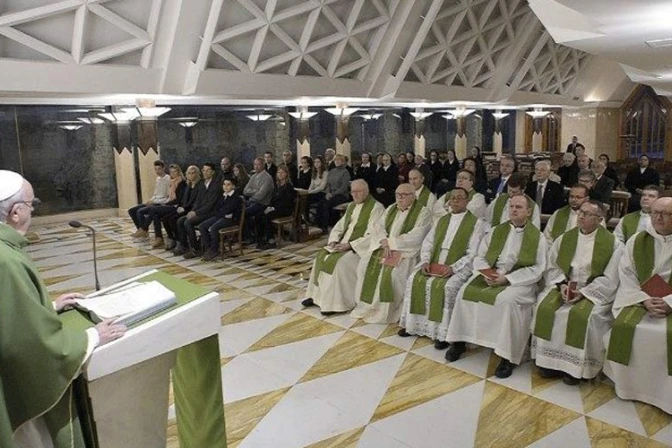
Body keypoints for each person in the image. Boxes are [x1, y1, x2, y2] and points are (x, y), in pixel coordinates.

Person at [0, 170, 126, 448]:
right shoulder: (6, 261)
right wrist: (92, 337)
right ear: (16, 213)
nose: (33, 211)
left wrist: (49, 306)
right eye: (31, 205)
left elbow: (10, 314)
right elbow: (32, 345)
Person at [445, 195, 547, 378]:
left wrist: (508, 279)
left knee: (506, 301)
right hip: (491, 274)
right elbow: (480, 255)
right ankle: (460, 341)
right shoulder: (496, 231)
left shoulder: (537, 237)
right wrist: (485, 272)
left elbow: (538, 268)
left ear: (528, 212)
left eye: (519, 207)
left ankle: (507, 356)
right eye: (511, 206)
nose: (514, 210)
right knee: (464, 292)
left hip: (519, 280)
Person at [532, 200, 622, 384]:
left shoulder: (613, 244)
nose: (581, 216)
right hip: (566, 287)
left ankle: (574, 369)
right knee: (546, 309)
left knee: (583, 317)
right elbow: (552, 267)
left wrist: (584, 293)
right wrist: (562, 285)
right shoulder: (565, 238)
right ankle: (549, 362)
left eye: (588, 214)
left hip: (594, 292)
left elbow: (610, 278)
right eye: (581, 212)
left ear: (599, 219)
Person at [603, 197, 672, 415]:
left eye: (665, 214)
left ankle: (664, 394)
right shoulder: (637, 240)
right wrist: (643, 299)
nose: (658, 218)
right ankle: (630, 387)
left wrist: (669, 303)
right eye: (655, 213)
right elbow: (627, 274)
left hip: (669, 304)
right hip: (641, 298)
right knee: (625, 327)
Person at [398, 188, 487, 348]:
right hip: (435, 260)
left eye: (460, 198)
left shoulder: (477, 223)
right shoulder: (441, 220)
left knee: (448, 286)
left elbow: (473, 252)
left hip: (460, 264)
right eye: (453, 198)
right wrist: (425, 261)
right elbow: (429, 242)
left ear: (467, 202)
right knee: (414, 279)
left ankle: (442, 333)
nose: (456, 201)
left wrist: (453, 268)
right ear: (449, 201)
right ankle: (413, 326)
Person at [351, 183, 431, 323]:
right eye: (397, 194)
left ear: (413, 196)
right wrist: (383, 241)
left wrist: (391, 243)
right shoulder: (390, 209)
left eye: (404, 195)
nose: (400, 198)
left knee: (393, 275)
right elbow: (378, 226)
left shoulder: (423, 212)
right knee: (364, 266)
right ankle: (368, 306)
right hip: (385, 248)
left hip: (406, 253)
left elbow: (417, 236)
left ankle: (387, 312)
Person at [302, 180, 385, 315]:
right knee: (320, 257)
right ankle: (317, 297)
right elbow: (340, 226)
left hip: (360, 250)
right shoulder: (352, 206)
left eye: (359, 191)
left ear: (367, 191)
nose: (355, 195)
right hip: (343, 244)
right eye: (353, 192)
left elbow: (374, 235)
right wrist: (334, 240)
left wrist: (350, 245)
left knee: (340, 264)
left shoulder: (377, 208)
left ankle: (336, 304)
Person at [176, 163, 223, 259]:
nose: (205, 172)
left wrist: (196, 213)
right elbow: (198, 201)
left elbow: (211, 204)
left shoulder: (216, 186)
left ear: (212, 172)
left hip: (210, 213)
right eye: (203, 170)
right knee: (180, 221)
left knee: (188, 222)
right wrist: (192, 211)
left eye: (207, 170)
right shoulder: (202, 184)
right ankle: (184, 246)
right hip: (200, 211)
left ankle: (196, 249)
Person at [142, 164, 187, 249]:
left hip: (176, 206)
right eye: (171, 172)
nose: (173, 174)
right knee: (156, 216)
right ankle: (163, 238)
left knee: (154, 209)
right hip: (170, 204)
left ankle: (144, 229)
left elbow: (179, 200)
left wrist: (166, 204)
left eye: (175, 171)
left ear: (179, 172)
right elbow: (169, 197)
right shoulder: (172, 182)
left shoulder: (182, 183)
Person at [198, 178, 243, 261]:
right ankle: (209, 248)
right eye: (224, 184)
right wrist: (221, 212)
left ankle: (214, 250)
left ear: (233, 186)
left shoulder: (236, 198)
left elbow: (228, 209)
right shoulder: (222, 196)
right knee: (202, 226)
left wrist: (221, 212)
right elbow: (216, 208)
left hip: (231, 220)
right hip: (221, 216)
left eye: (228, 184)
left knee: (214, 228)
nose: (225, 186)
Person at [255, 165, 297, 250]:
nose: (280, 174)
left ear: (286, 174)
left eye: (282, 172)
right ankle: (261, 239)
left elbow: (287, 202)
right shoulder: (277, 185)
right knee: (258, 214)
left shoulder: (288, 186)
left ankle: (271, 241)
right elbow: (272, 199)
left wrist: (273, 208)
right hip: (275, 207)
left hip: (285, 209)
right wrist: (269, 206)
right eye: (278, 172)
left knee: (267, 217)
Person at [129, 160, 171, 241]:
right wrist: (150, 200)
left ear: (163, 168)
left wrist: (154, 202)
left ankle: (144, 232)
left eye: (159, 169)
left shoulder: (168, 179)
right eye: (155, 169)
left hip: (160, 203)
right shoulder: (158, 179)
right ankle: (140, 230)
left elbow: (167, 197)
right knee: (132, 210)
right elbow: (156, 193)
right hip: (154, 201)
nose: (157, 171)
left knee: (140, 211)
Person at [164, 166, 202, 251]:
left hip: (192, 209)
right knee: (166, 218)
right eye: (189, 173)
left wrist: (185, 209)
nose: (191, 175)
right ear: (187, 175)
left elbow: (197, 201)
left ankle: (182, 243)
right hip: (185, 207)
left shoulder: (200, 185)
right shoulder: (188, 185)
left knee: (175, 220)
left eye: (193, 173)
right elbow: (184, 199)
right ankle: (174, 239)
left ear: (197, 174)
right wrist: (180, 206)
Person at [242, 157, 275, 243]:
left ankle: (250, 236)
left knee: (244, 213)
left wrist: (252, 193)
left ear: (263, 165)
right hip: (252, 201)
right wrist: (256, 191)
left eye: (258, 164)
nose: (256, 167)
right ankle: (247, 234)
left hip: (262, 204)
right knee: (238, 208)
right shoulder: (253, 176)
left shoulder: (267, 178)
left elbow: (261, 196)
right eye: (255, 164)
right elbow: (245, 191)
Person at [316, 154, 351, 232]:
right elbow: (328, 184)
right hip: (330, 194)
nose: (337, 161)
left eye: (339, 160)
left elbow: (343, 188)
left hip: (341, 195)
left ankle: (325, 227)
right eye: (335, 160)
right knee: (320, 204)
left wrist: (332, 194)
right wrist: (328, 193)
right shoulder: (332, 171)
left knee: (326, 204)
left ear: (343, 161)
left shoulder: (345, 172)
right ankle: (319, 226)